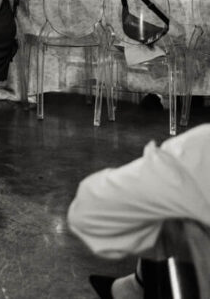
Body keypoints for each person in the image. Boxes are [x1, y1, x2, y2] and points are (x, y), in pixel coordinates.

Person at [68, 124, 210, 299]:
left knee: (168, 214)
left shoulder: (202, 148)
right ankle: (136, 285)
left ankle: (135, 288)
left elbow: (87, 211)